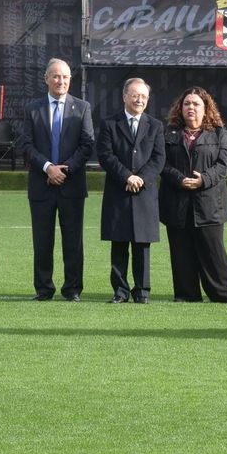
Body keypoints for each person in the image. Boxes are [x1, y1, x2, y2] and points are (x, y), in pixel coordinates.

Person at [16, 58, 93, 301]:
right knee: (42, 240)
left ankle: (72, 289)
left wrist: (65, 168)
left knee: (73, 241)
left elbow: (87, 144)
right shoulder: (32, 109)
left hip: (72, 185)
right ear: (46, 79)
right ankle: (44, 288)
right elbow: (26, 144)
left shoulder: (82, 107)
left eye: (66, 77)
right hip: (41, 185)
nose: (61, 81)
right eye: (56, 76)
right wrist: (48, 167)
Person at [160, 87, 227, 303]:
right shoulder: (169, 133)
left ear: (206, 109)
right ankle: (187, 295)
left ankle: (223, 294)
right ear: (181, 108)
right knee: (181, 253)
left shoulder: (218, 133)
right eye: (187, 104)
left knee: (214, 254)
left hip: (210, 205)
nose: (191, 108)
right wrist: (178, 178)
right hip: (177, 204)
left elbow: (224, 164)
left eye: (196, 104)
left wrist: (203, 179)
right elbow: (160, 163)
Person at [96, 77, 165, 303]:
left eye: (144, 96)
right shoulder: (109, 124)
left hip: (144, 193)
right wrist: (127, 176)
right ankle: (120, 291)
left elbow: (158, 158)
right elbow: (106, 155)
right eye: (135, 95)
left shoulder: (155, 125)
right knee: (119, 244)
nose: (140, 100)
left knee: (142, 245)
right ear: (124, 96)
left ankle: (142, 291)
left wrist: (141, 179)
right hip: (119, 191)